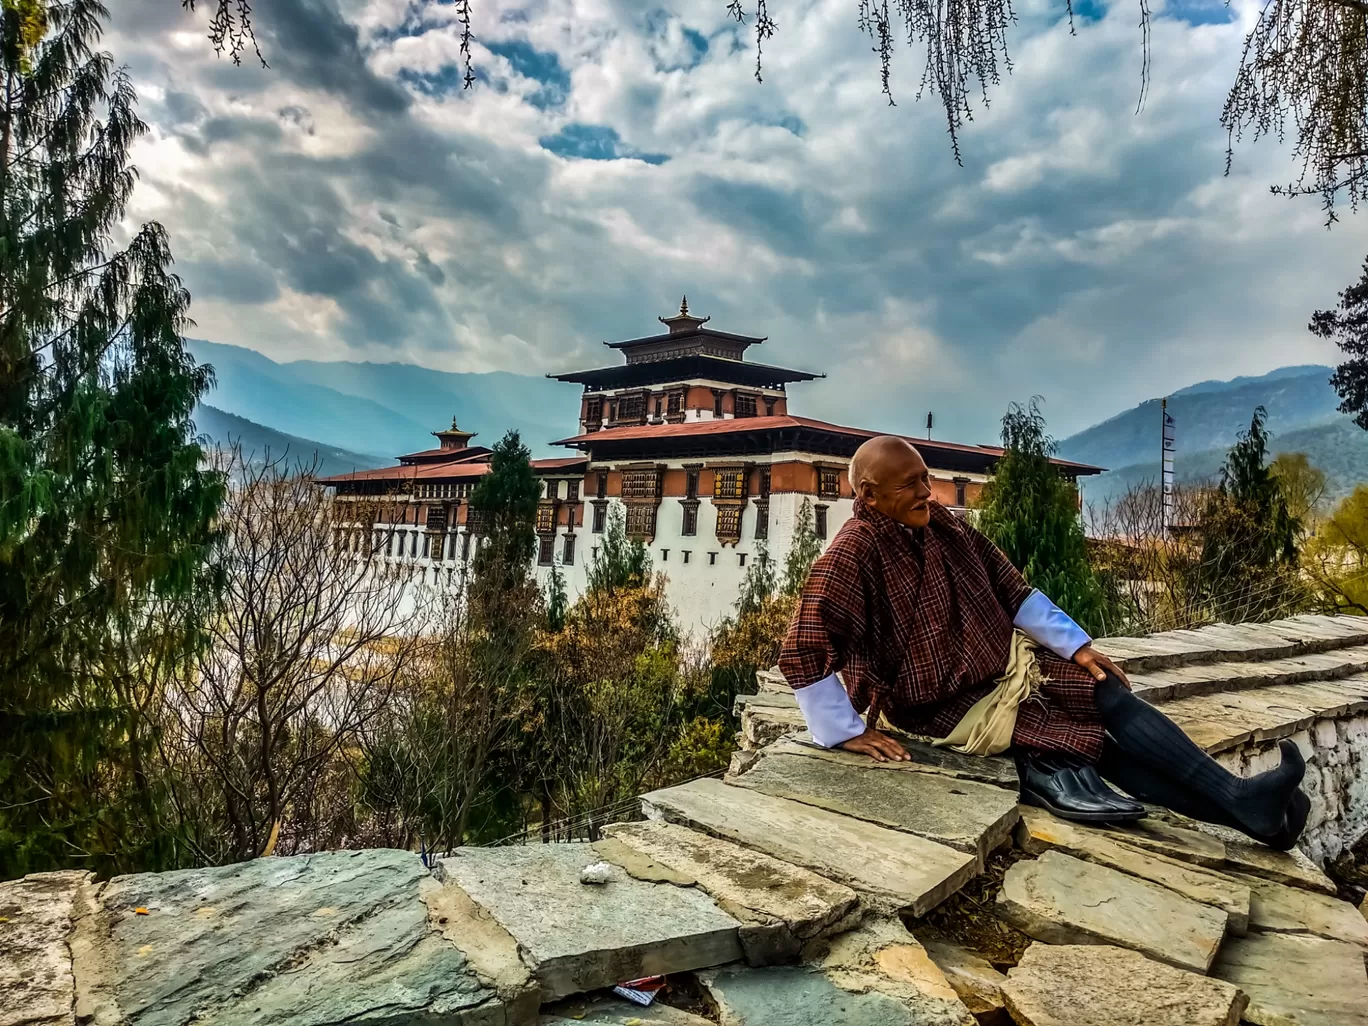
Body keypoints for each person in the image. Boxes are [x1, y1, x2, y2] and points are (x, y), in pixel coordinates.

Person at [778, 435, 1309, 849]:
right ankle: (1248, 810)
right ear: (866, 494)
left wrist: (1075, 646)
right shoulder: (850, 556)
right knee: (1087, 743)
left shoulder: (941, 524)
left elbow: (1008, 585)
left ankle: (1248, 807)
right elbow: (803, 646)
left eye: (925, 480)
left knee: (1103, 688)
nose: (926, 493)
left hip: (1001, 669)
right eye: (908, 485)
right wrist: (842, 731)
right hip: (936, 706)